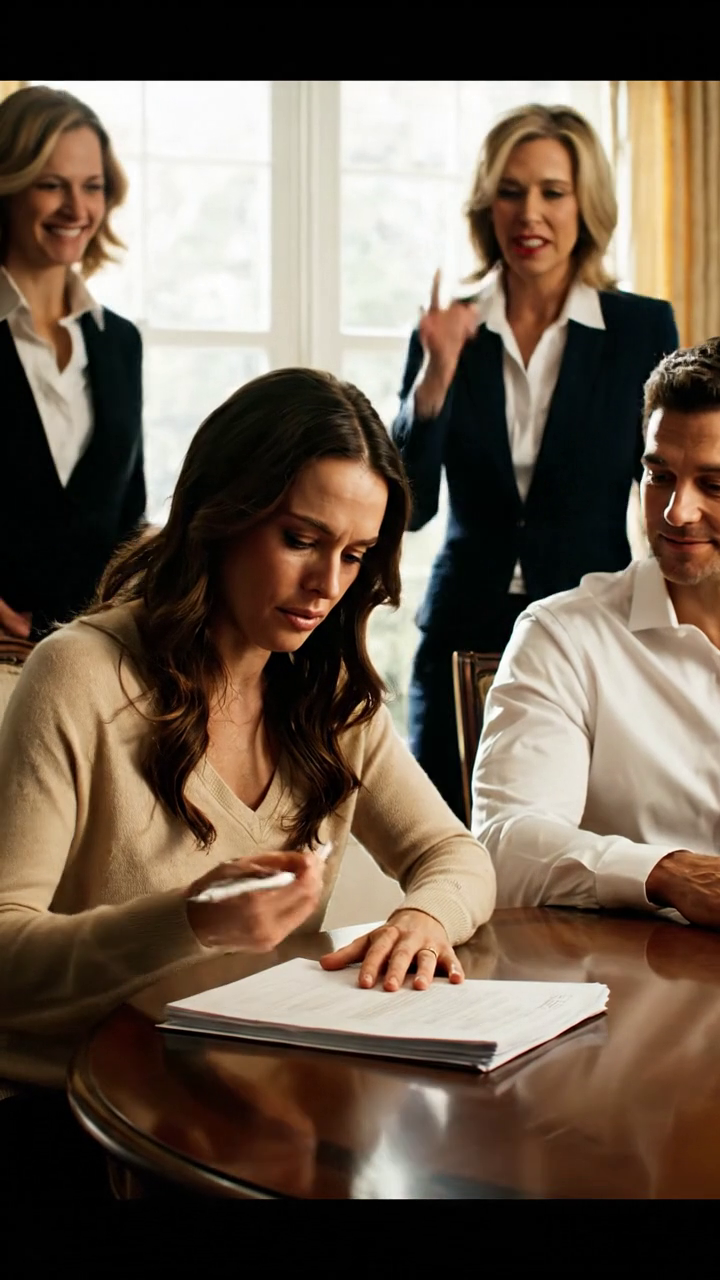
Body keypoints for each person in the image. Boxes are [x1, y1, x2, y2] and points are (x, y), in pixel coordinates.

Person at [0, 367, 495, 1198]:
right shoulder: (78, 674)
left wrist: (422, 917)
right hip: (79, 1118)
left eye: (354, 556)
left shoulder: (329, 695)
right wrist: (188, 920)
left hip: (251, 1102)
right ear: (221, 515)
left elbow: (456, 854)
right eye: (301, 540)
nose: (327, 586)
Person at [391, 102, 679, 820]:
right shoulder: (448, 328)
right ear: (487, 205)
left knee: (573, 840)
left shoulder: (640, 327)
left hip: (593, 628)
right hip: (461, 631)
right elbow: (409, 506)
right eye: (511, 191)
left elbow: (669, 476)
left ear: (586, 205)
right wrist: (435, 376)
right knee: (445, 841)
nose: (530, 214)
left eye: (553, 192)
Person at [472, 336, 720, 929]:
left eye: (714, 485)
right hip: (634, 973)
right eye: (659, 475)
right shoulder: (563, 636)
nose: (675, 512)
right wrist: (667, 872)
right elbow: (504, 845)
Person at [0, 85, 145, 660]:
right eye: (50, 184)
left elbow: (128, 519)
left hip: (93, 663)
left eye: (92, 187)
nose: (76, 209)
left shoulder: (121, 344)